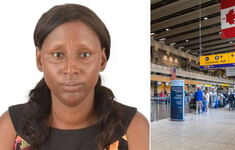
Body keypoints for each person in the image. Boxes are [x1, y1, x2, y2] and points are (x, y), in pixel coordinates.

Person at [0, 4, 149, 150]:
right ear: (39, 60)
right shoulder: (11, 127)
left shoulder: (133, 127)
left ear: (102, 60)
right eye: (58, 55)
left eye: (85, 54)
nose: (71, 69)